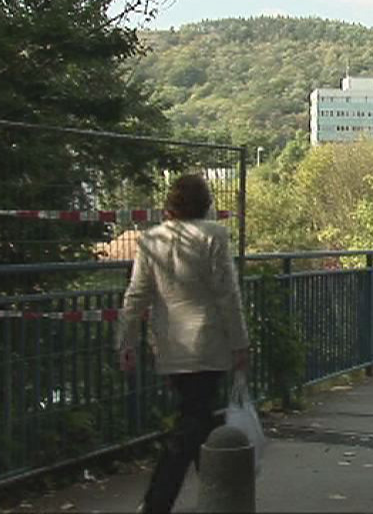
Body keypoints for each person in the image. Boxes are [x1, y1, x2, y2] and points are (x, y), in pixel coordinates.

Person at [115, 174, 250, 514]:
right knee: (193, 422)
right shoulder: (214, 235)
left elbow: (137, 295)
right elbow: (226, 295)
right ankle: (162, 501)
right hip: (208, 342)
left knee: (196, 417)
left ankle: (218, 493)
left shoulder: (151, 239)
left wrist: (125, 340)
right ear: (205, 203)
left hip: (170, 345)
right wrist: (240, 342)